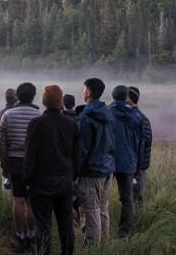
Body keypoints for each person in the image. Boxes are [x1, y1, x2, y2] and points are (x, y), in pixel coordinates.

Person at [25, 85, 79, 255]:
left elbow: (30, 156)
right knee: (66, 226)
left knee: (43, 227)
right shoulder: (72, 125)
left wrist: (27, 180)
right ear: (61, 101)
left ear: (44, 101)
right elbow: (76, 157)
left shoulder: (36, 124)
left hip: (40, 183)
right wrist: (72, 178)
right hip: (64, 182)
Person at [0, 83, 40, 252]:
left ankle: (20, 235)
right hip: (34, 163)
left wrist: (4, 166)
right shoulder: (39, 115)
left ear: (18, 96)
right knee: (31, 202)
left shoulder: (7, 115)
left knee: (18, 200)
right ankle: (32, 235)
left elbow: (3, 145)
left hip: (14, 162)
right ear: (33, 96)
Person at [75, 78, 115, 246]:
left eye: (84, 89)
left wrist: (76, 172)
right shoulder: (108, 113)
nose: (82, 92)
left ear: (89, 92)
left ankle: (92, 247)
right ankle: (104, 244)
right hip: (107, 168)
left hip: (91, 171)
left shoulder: (86, 117)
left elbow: (82, 149)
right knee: (103, 209)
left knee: (91, 211)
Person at [108, 85, 142, 239]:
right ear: (126, 97)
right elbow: (139, 142)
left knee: (101, 199)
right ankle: (124, 233)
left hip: (108, 161)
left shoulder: (106, 113)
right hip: (128, 162)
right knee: (127, 199)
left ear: (113, 96)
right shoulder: (136, 117)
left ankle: (102, 230)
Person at [127, 86, 152, 206]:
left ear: (129, 98)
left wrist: (138, 168)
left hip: (138, 166)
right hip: (132, 164)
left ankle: (138, 221)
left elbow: (144, 145)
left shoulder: (141, 119)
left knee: (136, 196)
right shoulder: (134, 116)